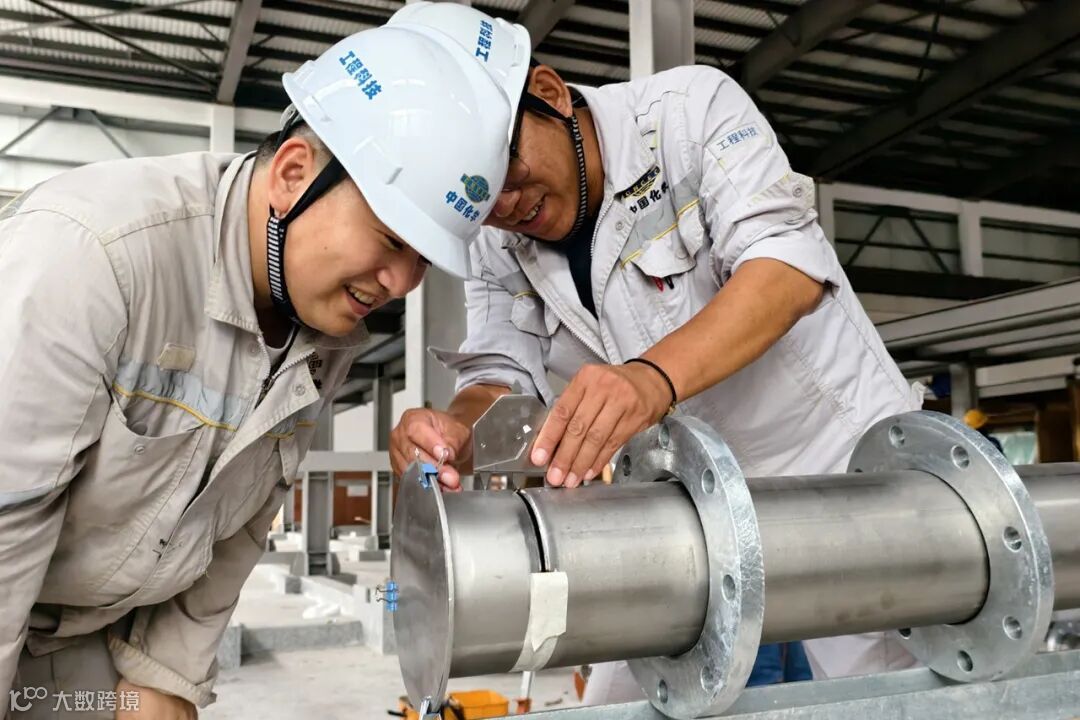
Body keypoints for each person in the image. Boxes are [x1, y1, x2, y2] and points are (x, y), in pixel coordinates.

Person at [387, 1, 924, 703]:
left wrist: (649, 379)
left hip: (833, 481)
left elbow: (785, 268)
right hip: (678, 508)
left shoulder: (688, 114)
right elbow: (500, 368)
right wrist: (458, 428)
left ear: (548, 93)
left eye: (508, 169)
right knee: (622, 704)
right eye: (482, 199)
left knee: (886, 698)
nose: (507, 205)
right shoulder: (497, 239)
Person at [0, 24, 512, 720]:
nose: (401, 282)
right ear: (294, 174)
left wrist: (167, 675)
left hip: (89, 644)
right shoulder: (96, 258)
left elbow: (240, 520)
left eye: (423, 259)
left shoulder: (322, 328)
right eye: (392, 239)